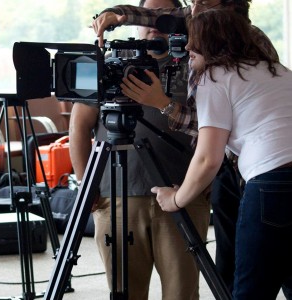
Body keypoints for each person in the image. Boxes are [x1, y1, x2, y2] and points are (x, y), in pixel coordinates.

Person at [91, 0, 287, 295]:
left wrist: (176, 199)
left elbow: (209, 155)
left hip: (268, 181)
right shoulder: (277, 70)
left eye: (190, 51)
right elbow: (155, 15)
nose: (186, 57)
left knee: (251, 288)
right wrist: (119, 14)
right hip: (271, 173)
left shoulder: (215, 73)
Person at [69, 0, 211, 299]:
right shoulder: (106, 67)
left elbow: (216, 128)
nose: (153, 24)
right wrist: (86, 183)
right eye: (149, 16)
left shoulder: (196, 65)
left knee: (182, 292)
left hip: (183, 193)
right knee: (124, 291)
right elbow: (79, 129)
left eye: (163, 16)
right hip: (115, 195)